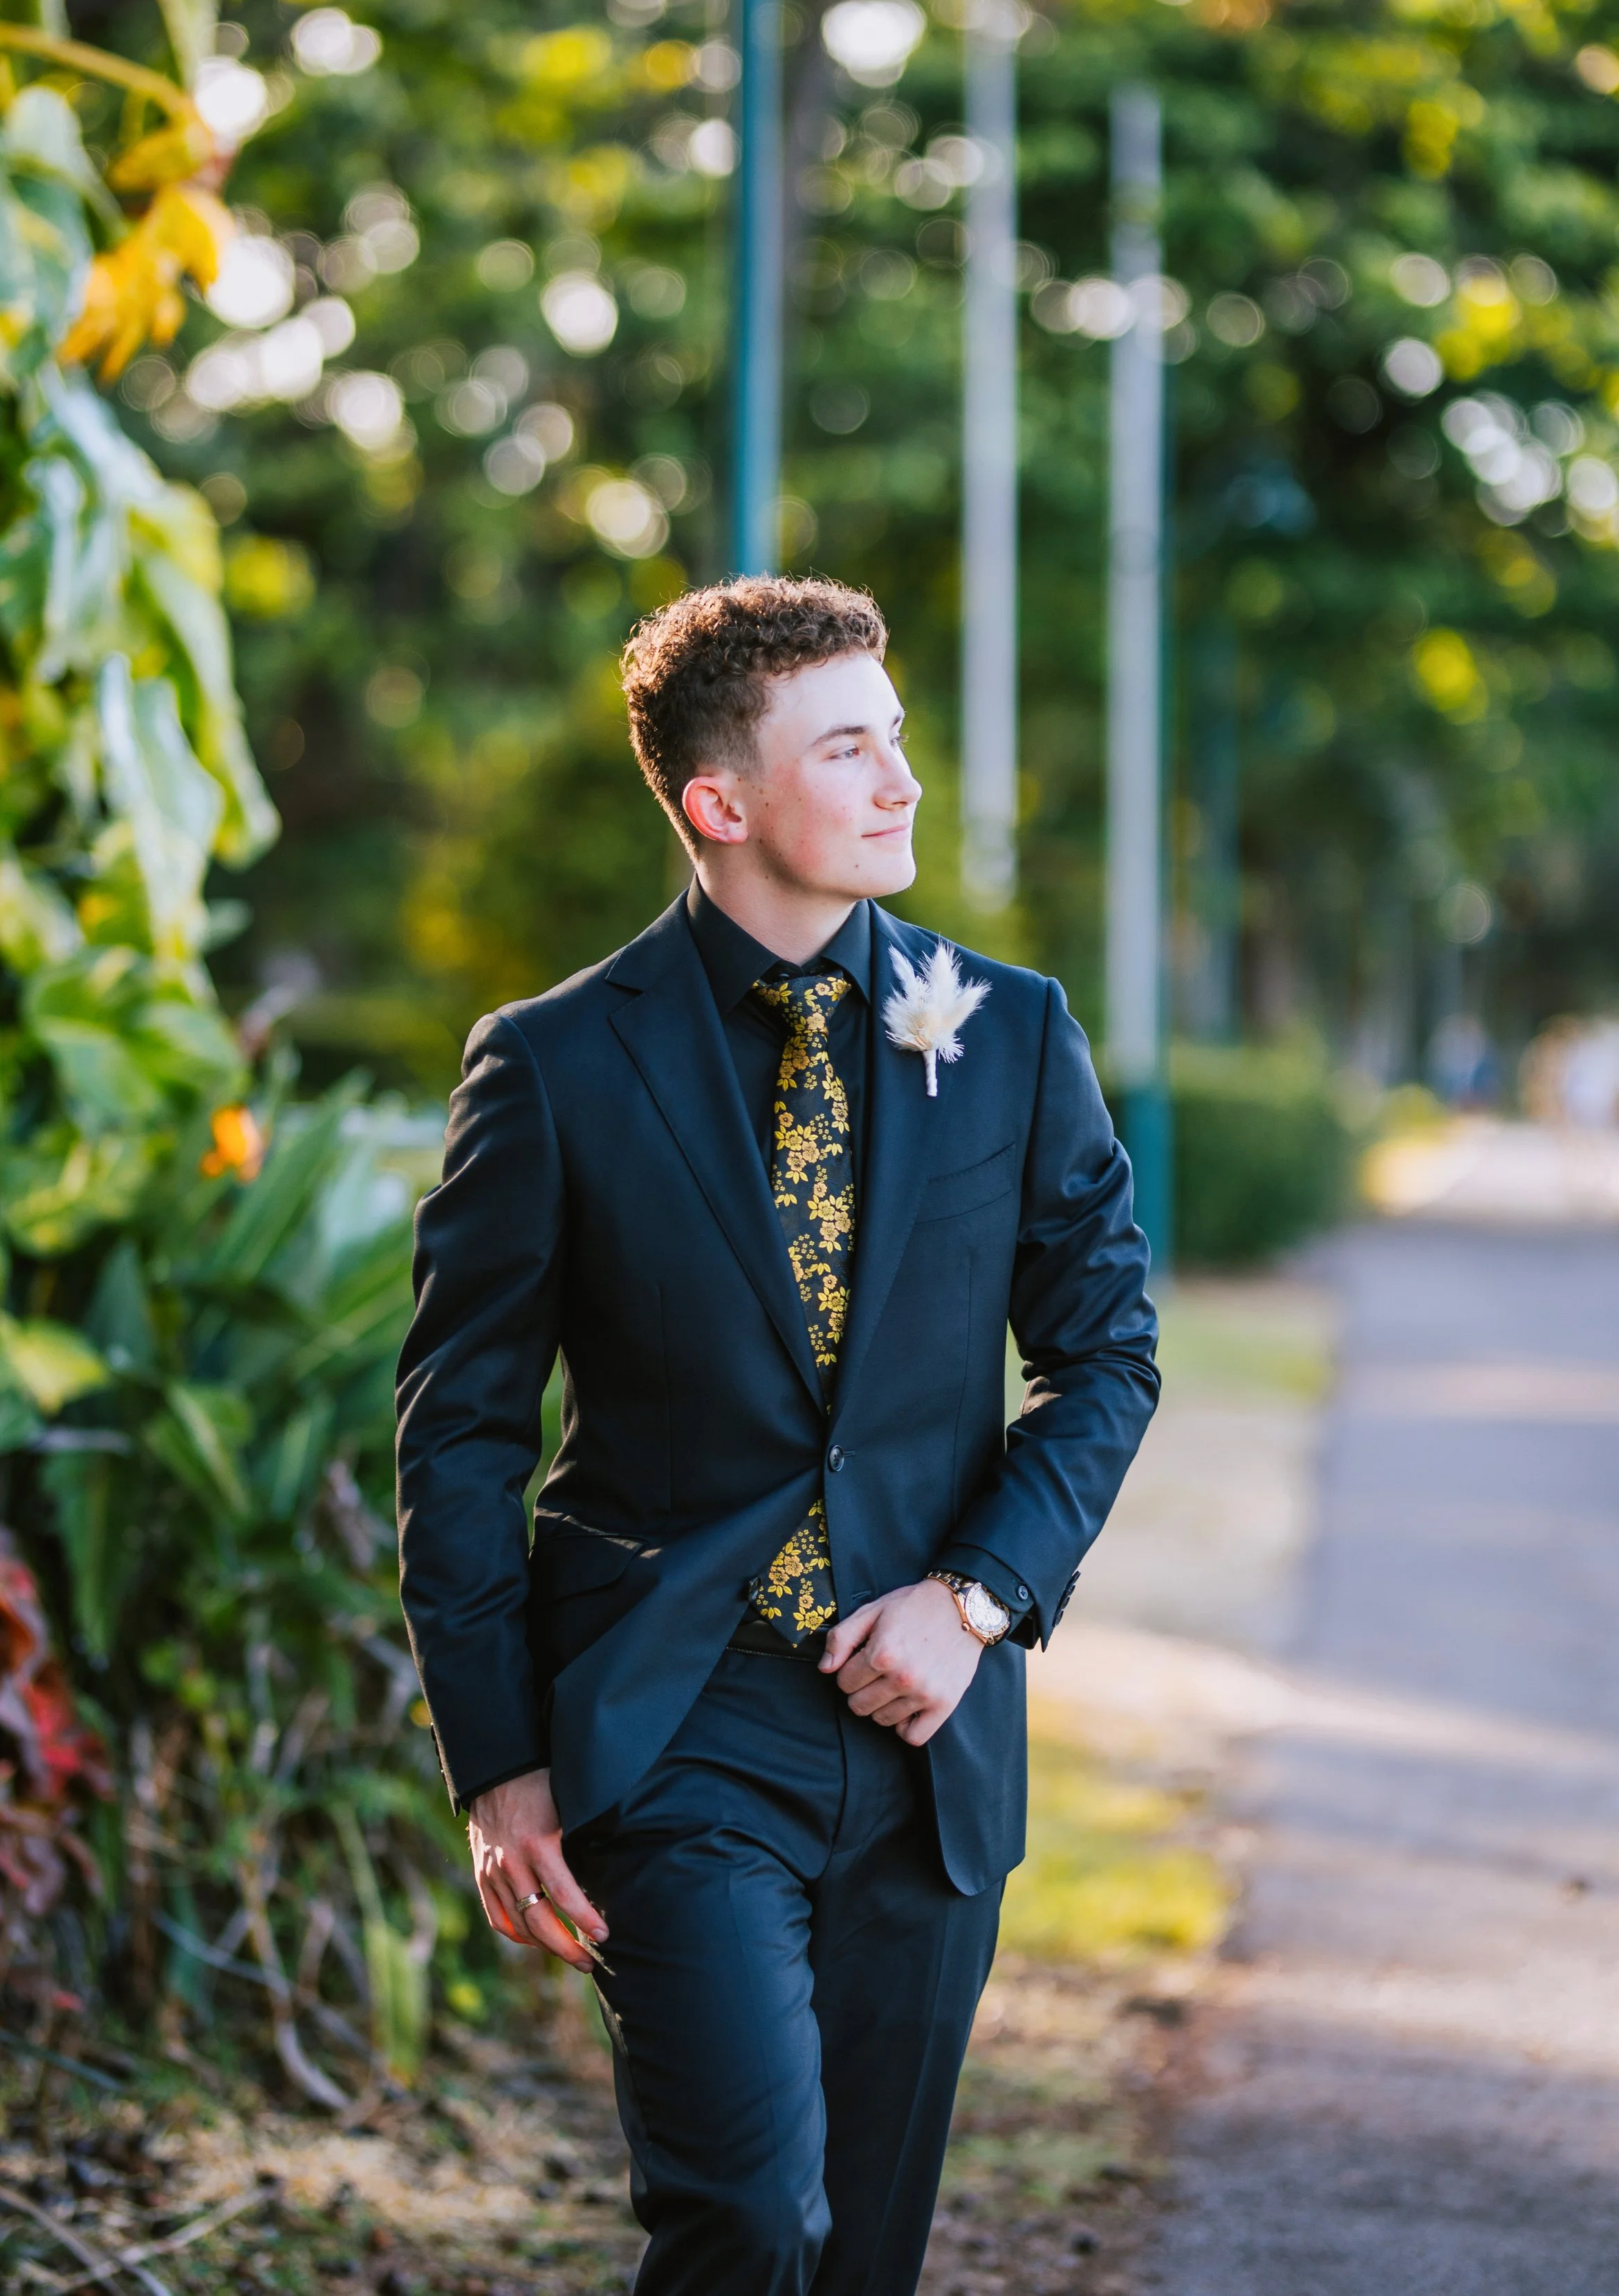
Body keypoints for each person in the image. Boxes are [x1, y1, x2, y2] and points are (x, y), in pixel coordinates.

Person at [396, 575, 1158, 2296]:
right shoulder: (554, 1066)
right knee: (745, 2219)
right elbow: (457, 1436)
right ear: (716, 804)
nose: (901, 784)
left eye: (895, 740)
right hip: (671, 1722)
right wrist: (496, 1762)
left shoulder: (1014, 1033)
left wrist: (970, 1598)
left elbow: (1106, 1356)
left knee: (864, 2254)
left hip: (927, 1729)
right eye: (849, 750)